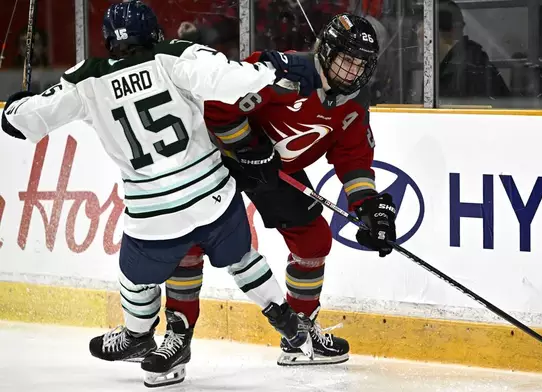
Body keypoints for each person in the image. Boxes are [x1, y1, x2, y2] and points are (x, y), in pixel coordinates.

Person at [1, 0, 322, 387]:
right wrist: (274, 68)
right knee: (241, 256)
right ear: (153, 32)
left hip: (155, 215)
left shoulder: (86, 80)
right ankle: (284, 316)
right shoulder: (175, 55)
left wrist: (16, 109)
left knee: (136, 278)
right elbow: (230, 78)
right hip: (213, 196)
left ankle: (137, 335)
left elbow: (21, 121)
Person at [171, 13, 399, 366]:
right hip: (217, 157)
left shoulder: (353, 103)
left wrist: (368, 207)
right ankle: (176, 335)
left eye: (360, 64)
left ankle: (300, 334)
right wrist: (247, 146)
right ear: (326, 51)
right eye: (346, 60)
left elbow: (353, 159)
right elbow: (216, 106)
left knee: (314, 239)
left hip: (271, 170)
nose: (352, 71)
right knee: (190, 239)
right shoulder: (280, 73)